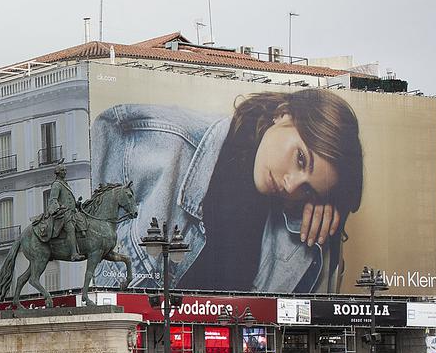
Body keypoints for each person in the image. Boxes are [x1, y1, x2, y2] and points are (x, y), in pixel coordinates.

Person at [92, 85, 365, 294]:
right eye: (301, 158)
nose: (291, 185)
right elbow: (99, 280)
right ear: (283, 113)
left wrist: (329, 213)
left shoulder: (301, 232)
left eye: (308, 190)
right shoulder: (157, 139)